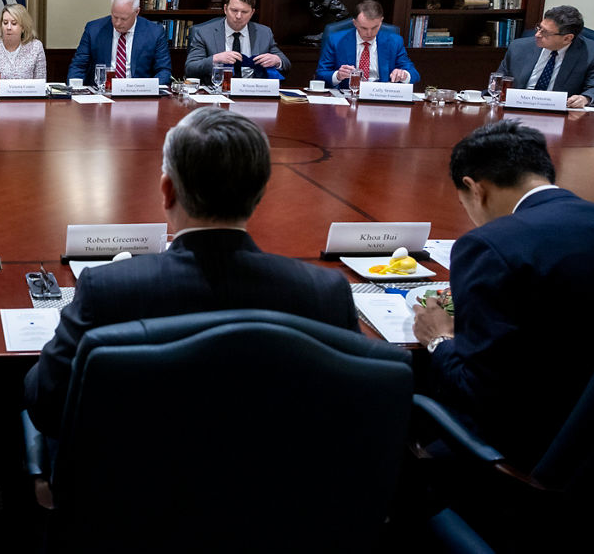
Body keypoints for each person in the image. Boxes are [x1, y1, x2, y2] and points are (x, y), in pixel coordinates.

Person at [24, 108, 358, 438]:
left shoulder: (107, 289)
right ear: (259, 194)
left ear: (167, 191)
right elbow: (353, 412)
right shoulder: (326, 294)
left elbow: (45, 402)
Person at [412, 120, 594, 468]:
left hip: (517, 461)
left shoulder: (490, 246)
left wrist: (438, 338)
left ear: (475, 188)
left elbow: (474, 393)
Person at [496, 5, 594, 108]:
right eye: (539, 28)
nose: (537, 35)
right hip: (517, 108)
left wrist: (585, 98)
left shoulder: (593, 54)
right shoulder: (518, 47)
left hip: (561, 114)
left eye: (545, 32)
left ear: (567, 38)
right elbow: (498, 82)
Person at [67, 0, 173, 86]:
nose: (117, 23)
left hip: (139, 94)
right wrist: (75, 91)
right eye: (114, 16)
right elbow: (78, 66)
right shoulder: (94, 29)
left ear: (137, 12)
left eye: (123, 19)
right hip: (101, 94)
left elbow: (163, 70)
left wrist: (152, 90)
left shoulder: (154, 32)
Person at [183, 0, 290, 83]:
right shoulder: (205, 33)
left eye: (244, 12)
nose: (238, 16)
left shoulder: (264, 33)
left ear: (252, 13)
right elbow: (190, 68)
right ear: (225, 9)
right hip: (218, 91)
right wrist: (215, 59)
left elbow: (286, 63)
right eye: (234, 10)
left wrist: (277, 61)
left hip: (253, 91)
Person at [316, 0, 420, 88]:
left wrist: (404, 75)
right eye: (364, 28)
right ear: (355, 23)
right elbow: (321, 74)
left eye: (375, 27)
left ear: (381, 22)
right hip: (349, 96)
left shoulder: (394, 41)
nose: (369, 33)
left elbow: (414, 74)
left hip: (382, 96)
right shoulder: (336, 40)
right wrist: (338, 75)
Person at [0, 3, 47, 83]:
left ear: (23, 28)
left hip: (25, 95)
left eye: (14, 23)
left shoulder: (35, 47)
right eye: (5, 23)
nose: (8, 27)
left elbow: (40, 84)